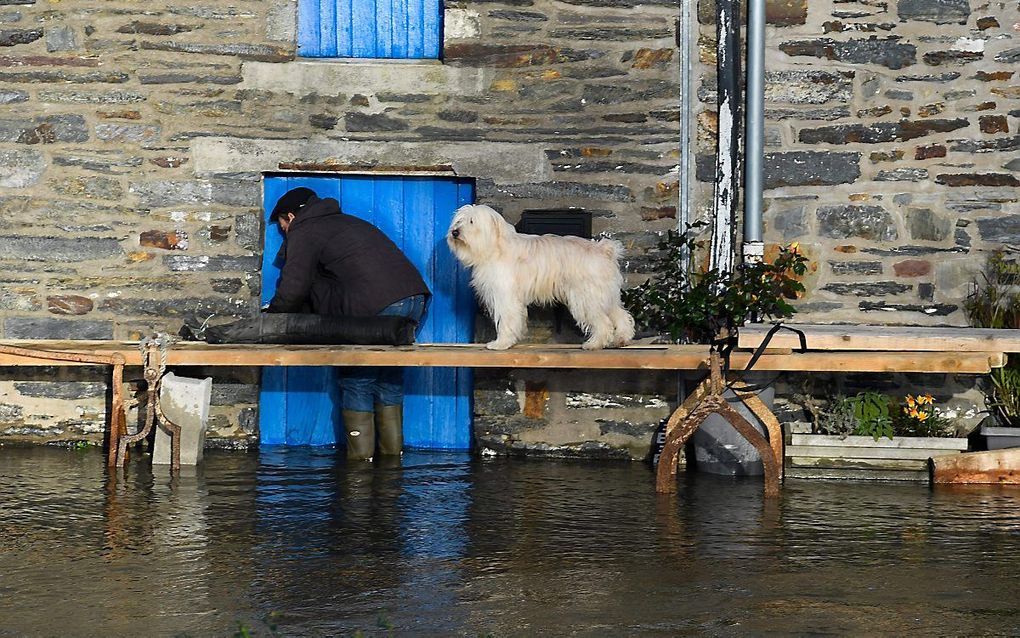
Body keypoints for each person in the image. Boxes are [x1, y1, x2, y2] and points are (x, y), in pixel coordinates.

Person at [266, 187, 430, 461]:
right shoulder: (345, 223)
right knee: (388, 379)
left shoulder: (305, 230)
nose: (284, 233)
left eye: (282, 227)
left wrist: (271, 322)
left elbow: (294, 288)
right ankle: (391, 468)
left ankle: (360, 472)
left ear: (291, 217)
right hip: (415, 299)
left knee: (358, 380)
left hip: (379, 305)